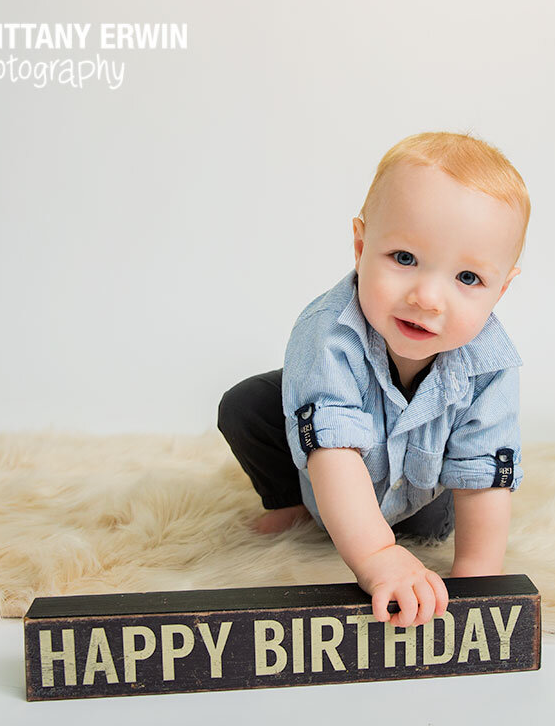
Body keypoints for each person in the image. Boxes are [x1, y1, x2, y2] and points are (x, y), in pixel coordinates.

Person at [218, 131, 528, 629]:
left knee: (453, 504)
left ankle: (396, 529)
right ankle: (292, 503)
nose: (427, 297)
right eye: (404, 258)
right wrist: (379, 557)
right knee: (249, 403)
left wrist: (478, 576)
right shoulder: (327, 332)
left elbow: (483, 474)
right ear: (361, 245)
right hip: (327, 478)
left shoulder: (491, 362)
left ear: (501, 289)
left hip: (424, 501)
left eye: (467, 278)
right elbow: (333, 452)